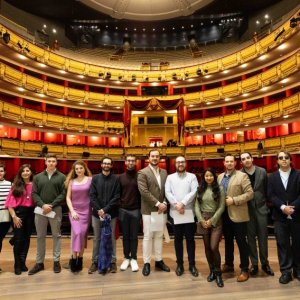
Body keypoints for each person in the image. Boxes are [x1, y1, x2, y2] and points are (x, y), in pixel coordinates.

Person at [28, 153, 66, 275]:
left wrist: (52, 205)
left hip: (56, 210)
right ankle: (39, 263)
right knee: (40, 236)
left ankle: (56, 261)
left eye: (53, 161)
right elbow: (34, 193)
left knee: (56, 235)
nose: (51, 163)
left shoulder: (62, 177)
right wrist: (43, 205)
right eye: (49, 161)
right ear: (45, 161)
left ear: (56, 162)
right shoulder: (38, 177)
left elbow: (63, 194)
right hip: (41, 210)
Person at [218, 154, 253, 282]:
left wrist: (234, 200)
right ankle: (229, 264)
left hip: (238, 215)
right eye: (227, 161)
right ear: (224, 163)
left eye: (231, 161)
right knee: (227, 241)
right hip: (225, 215)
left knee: (241, 242)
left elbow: (250, 194)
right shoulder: (220, 177)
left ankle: (244, 269)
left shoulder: (242, 176)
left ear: (235, 163)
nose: (229, 163)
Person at [268, 151, 300, 284]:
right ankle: (286, 271)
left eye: (286, 158)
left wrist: (293, 208)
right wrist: (283, 207)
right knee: (282, 244)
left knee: (298, 243)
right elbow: (271, 195)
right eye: (281, 158)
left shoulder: (298, 174)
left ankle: (298, 270)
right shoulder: (272, 177)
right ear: (277, 161)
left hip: (297, 214)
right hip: (279, 216)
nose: (284, 160)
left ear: (290, 160)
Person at [240, 152, 274, 276]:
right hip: (247, 211)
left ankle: (265, 263)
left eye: (248, 158)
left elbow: (265, 190)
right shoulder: (239, 174)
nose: (246, 160)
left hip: (261, 209)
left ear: (252, 158)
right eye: (243, 159)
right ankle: (254, 264)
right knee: (250, 239)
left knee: (263, 238)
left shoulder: (262, 171)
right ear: (241, 162)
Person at [137, 149, 170, 276]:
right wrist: (158, 204)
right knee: (148, 236)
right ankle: (146, 262)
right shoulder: (142, 172)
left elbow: (168, 190)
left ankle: (158, 260)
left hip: (162, 210)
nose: (155, 158)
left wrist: (165, 203)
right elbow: (144, 192)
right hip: (149, 211)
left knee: (158, 236)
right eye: (153, 156)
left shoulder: (164, 172)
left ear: (159, 157)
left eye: (157, 156)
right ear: (148, 157)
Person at [165, 156, 198, 277]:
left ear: (185, 163)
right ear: (175, 164)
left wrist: (183, 203)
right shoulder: (170, 177)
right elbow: (168, 192)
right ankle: (179, 264)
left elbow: (194, 191)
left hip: (189, 212)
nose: (180, 164)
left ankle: (192, 264)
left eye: (182, 162)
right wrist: (176, 205)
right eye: (178, 162)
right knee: (178, 240)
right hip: (175, 213)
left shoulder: (192, 177)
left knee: (190, 240)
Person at [88, 156, 120, 274]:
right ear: (101, 165)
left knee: (111, 238)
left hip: (111, 213)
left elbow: (117, 197)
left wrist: (105, 209)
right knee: (97, 238)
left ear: (111, 166)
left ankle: (112, 262)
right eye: (104, 163)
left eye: (108, 164)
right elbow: (92, 195)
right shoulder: (95, 178)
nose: (106, 165)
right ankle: (95, 261)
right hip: (97, 214)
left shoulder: (116, 179)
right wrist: (99, 210)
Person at [195, 168, 225, 287]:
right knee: (207, 247)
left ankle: (218, 274)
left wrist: (212, 220)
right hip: (203, 218)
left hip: (216, 220)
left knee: (213, 247)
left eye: (211, 176)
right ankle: (212, 271)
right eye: (206, 176)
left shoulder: (220, 189)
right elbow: (196, 206)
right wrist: (201, 220)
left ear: (214, 176)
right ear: (204, 177)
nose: (209, 178)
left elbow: (222, 207)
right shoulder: (200, 189)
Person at [5, 164, 35, 275]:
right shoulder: (15, 186)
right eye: (23, 171)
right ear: (20, 173)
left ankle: (23, 263)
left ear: (31, 172)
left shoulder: (35, 185)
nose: (26, 172)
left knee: (26, 239)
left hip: (30, 214)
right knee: (18, 240)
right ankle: (17, 264)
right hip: (18, 214)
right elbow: (9, 204)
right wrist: (14, 217)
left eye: (28, 170)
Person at [65, 160, 92, 273]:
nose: (79, 170)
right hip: (75, 211)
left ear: (84, 169)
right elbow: (68, 198)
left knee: (82, 235)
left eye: (81, 168)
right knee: (76, 233)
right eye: (76, 169)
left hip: (86, 210)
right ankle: (73, 257)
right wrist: (72, 211)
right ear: (74, 170)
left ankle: (80, 259)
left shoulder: (90, 180)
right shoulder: (71, 181)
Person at [119, 155, 141, 272]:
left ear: (135, 162)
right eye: (129, 160)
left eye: (133, 160)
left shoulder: (140, 177)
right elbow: (118, 195)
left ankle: (134, 258)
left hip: (136, 210)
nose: (131, 162)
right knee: (125, 236)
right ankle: (126, 257)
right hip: (123, 210)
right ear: (125, 162)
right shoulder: (120, 177)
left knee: (134, 236)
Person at [0, 163, 12, 272]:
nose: (0, 173)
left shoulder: (9, 184)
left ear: (4, 172)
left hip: (4, 216)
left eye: (1, 171)